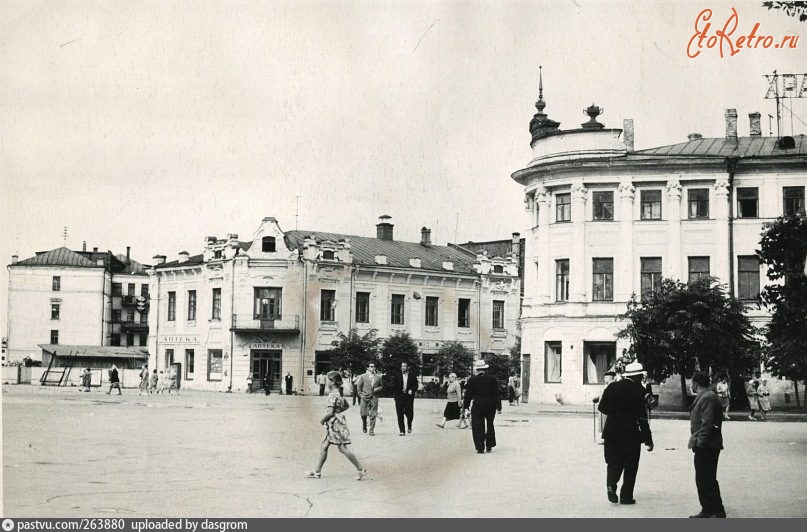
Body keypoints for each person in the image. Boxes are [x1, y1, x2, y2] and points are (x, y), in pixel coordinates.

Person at [597, 361, 653, 505]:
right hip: (631, 434)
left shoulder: (612, 387)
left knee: (613, 462)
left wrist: (616, 414)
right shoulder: (640, 391)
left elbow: (602, 408)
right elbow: (642, 418)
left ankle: (611, 485)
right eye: (641, 376)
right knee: (631, 465)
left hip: (612, 432)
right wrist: (648, 439)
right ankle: (626, 496)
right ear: (638, 376)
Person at [305, 371, 367, 480]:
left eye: (328, 380)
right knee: (324, 446)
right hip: (337, 423)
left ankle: (361, 469)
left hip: (334, 424)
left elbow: (330, 412)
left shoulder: (332, 395)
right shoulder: (338, 393)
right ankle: (317, 472)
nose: (326, 382)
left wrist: (322, 420)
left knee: (342, 448)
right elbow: (346, 405)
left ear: (333, 382)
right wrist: (339, 411)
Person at [688, 372, 726, 518]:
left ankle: (714, 510)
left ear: (696, 383)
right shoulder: (706, 396)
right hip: (708, 444)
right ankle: (711, 509)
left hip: (707, 445)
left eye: (692, 382)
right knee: (705, 478)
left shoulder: (707, 397)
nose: (691, 385)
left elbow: (708, 424)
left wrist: (700, 444)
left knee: (706, 478)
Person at [462, 359, 502, 454]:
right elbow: (497, 393)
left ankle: (480, 447)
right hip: (490, 405)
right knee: (490, 424)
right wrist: (499, 407)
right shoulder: (492, 379)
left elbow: (468, 395)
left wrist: (466, 406)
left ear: (477, 369)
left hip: (478, 404)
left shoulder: (473, 380)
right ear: (485, 369)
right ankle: (489, 445)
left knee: (477, 425)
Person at [355, 362, 383, 436]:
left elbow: (381, 386)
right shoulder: (363, 376)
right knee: (363, 413)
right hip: (365, 397)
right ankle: (364, 423)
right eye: (371, 366)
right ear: (367, 368)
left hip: (374, 397)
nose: (373, 368)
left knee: (373, 414)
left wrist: (376, 389)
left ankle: (371, 430)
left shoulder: (378, 377)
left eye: (374, 366)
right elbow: (358, 387)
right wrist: (361, 395)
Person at [393, 361, 419, 435]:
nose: (403, 367)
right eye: (402, 366)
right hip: (399, 397)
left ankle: (409, 426)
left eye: (404, 366)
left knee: (410, 414)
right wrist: (396, 396)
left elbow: (416, 385)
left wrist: (412, 390)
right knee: (400, 414)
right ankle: (402, 430)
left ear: (408, 367)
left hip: (409, 397)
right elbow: (394, 386)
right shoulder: (397, 375)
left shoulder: (412, 376)